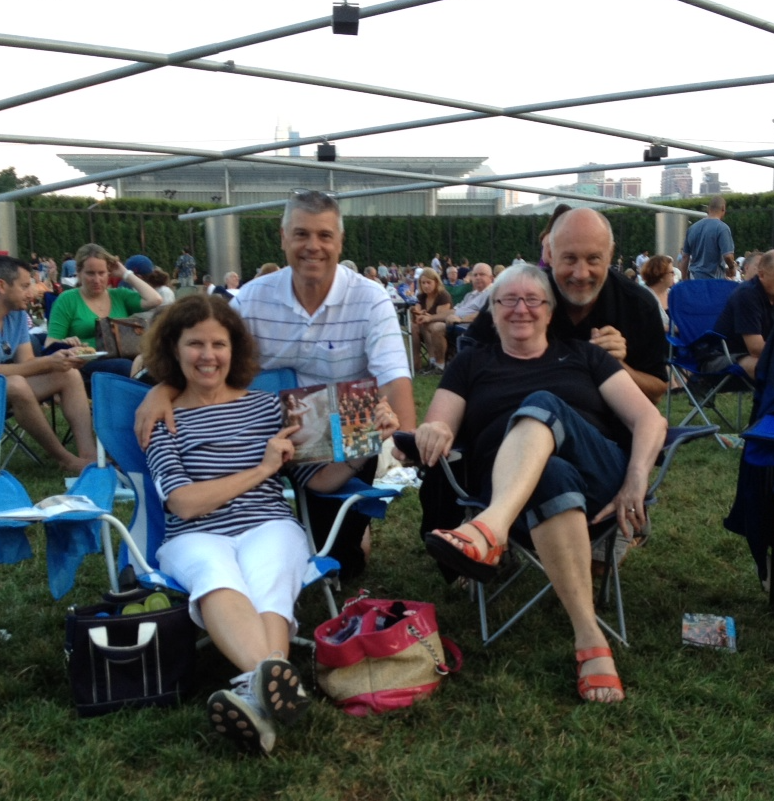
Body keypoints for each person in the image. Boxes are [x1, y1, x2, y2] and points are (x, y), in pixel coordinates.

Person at [412, 265, 666, 703]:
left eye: (533, 300)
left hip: (598, 476)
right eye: (507, 300)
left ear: (550, 312)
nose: (521, 309)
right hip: (518, 488)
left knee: (543, 403)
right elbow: (439, 422)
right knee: (549, 474)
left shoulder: (584, 355)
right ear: (491, 311)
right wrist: (432, 431)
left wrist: (636, 480)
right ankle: (591, 641)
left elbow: (649, 418)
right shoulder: (471, 363)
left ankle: (488, 530)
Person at [143, 295, 381, 753]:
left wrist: (366, 444)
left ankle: (257, 698)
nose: (208, 355)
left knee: (271, 578)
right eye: (195, 344)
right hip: (193, 534)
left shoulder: (271, 409)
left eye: (219, 343)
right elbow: (183, 503)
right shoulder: (161, 419)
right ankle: (271, 680)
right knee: (215, 577)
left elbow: (319, 479)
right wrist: (260, 470)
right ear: (174, 349)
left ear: (235, 350)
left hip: (268, 523)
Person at [136, 189, 412, 579]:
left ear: (339, 241)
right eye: (301, 234)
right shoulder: (252, 298)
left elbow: (393, 375)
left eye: (324, 235)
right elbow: (206, 350)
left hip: (340, 426)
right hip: (256, 428)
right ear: (283, 238)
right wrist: (160, 389)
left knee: (344, 565)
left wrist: (405, 440)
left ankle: (350, 535)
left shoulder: (371, 299)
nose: (312, 246)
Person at [467, 208, 668, 404]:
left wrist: (617, 366)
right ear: (550, 255)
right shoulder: (515, 298)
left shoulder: (638, 305)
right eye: (570, 259)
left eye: (593, 259)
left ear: (610, 254)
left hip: (603, 430)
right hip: (517, 414)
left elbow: (656, 392)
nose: (581, 273)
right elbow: (467, 367)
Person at [0, 256, 97, 473]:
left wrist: (59, 359)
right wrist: (48, 362)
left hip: (6, 391)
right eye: (25, 286)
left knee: (69, 374)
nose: (32, 292)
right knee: (15, 384)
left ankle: (89, 457)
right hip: (10, 388)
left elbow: (27, 363)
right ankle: (64, 458)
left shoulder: (16, 316)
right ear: (2, 286)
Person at [44, 243, 162, 384]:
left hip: (126, 356)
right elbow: (50, 344)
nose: (97, 280)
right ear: (79, 273)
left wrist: (126, 274)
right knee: (125, 366)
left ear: (109, 273)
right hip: (85, 363)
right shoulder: (67, 300)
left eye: (102, 273)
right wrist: (66, 343)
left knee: (157, 362)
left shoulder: (119, 295)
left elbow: (155, 299)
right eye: (90, 273)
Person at [704, 249, 774, 378]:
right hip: (722, 356)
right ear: (762, 275)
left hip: (751, 355)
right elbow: (756, 348)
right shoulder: (747, 295)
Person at [681, 195, 737, 280]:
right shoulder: (722, 228)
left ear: (708, 209)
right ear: (723, 208)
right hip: (713, 280)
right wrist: (732, 268)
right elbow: (728, 256)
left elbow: (685, 257)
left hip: (694, 279)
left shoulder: (692, 228)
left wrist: (684, 279)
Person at [411, 268, 452, 375]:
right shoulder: (421, 296)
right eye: (423, 283)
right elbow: (417, 311)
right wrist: (417, 312)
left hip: (442, 328)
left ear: (436, 282)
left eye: (429, 282)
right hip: (425, 328)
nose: (426, 285)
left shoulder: (443, 296)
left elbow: (441, 317)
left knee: (426, 323)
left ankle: (433, 360)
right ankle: (416, 362)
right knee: (414, 325)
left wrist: (426, 316)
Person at [640, 255, 675, 331]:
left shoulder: (673, 294)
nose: (674, 275)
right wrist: (673, 329)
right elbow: (645, 326)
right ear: (660, 275)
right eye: (671, 272)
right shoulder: (643, 298)